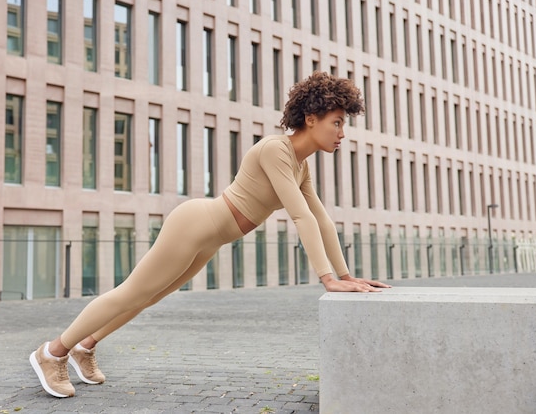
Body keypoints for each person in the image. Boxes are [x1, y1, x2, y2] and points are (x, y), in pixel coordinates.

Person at [29, 71, 391, 398]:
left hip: (210, 239)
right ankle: (52, 353)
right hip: (194, 225)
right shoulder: (275, 149)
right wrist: (327, 278)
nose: (342, 133)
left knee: (150, 297)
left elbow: (321, 219)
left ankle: (85, 346)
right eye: (338, 122)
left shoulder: (300, 165)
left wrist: (346, 277)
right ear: (311, 120)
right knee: (132, 292)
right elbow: (300, 217)